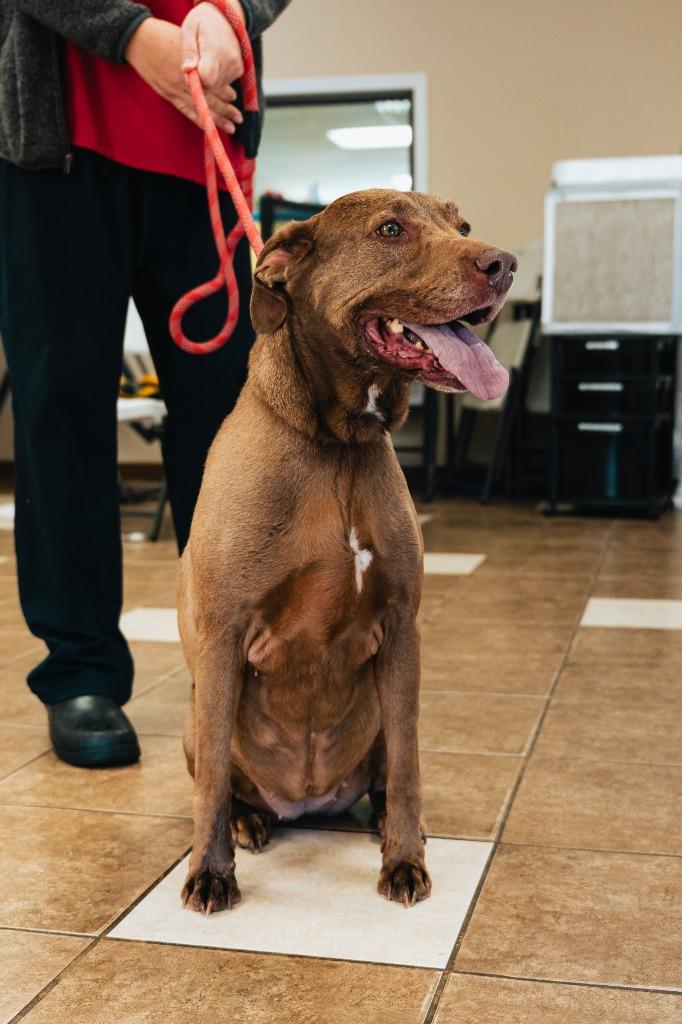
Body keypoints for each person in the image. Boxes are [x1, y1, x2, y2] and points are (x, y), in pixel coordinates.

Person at [0, 0, 290, 768]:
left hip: (204, 137)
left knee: (234, 428)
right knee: (61, 409)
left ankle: (240, 663)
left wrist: (236, 13)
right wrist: (130, 35)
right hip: (61, 140)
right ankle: (81, 671)